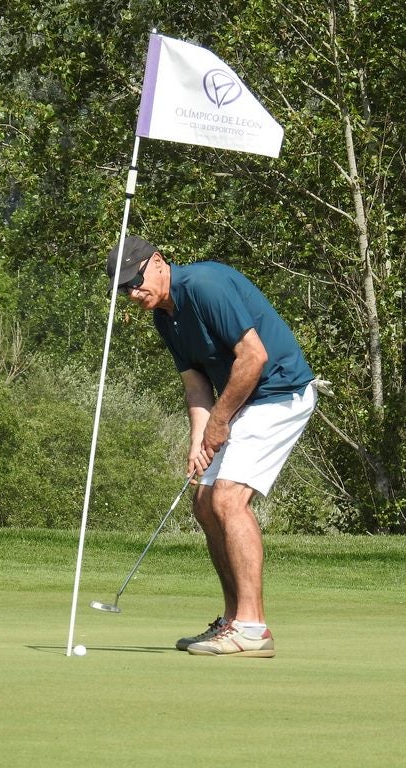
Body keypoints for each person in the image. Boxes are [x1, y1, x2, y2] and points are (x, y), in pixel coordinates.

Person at [106, 235, 319, 658]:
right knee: (203, 503)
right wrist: (197, 442)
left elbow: (253, 357)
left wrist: (219, 422)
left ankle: (254, 628)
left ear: (159, 262)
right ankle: (232, 620)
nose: (133, 292)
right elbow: (196, 385)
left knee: (227, 500)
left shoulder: (204, 285)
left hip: (280, 392)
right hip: (244, 401)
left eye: (136, 280)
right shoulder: (165, 319)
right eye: (124, 288)